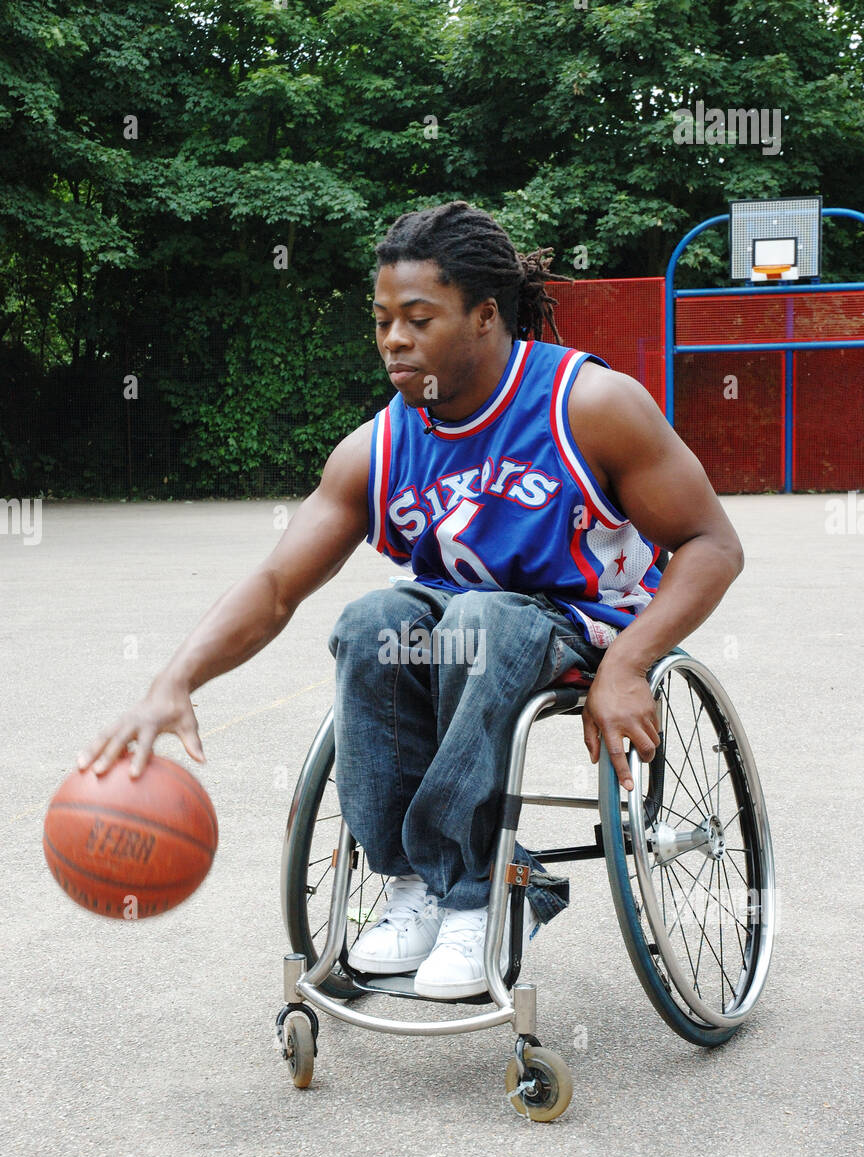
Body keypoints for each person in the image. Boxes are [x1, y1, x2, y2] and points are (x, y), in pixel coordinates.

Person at [78, 201, 744, 1001]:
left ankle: (481, 897)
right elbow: (275, 586)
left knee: (480, 621)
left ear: (485, 316)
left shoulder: (590, 405)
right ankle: (416, 885)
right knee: (371, 619)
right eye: (383, 319)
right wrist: (173, 683)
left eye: (418, 318)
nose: (394, 338)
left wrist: (630, 663)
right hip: (459, 627)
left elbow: (712, 544)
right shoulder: (379, 447)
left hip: (582, 623)